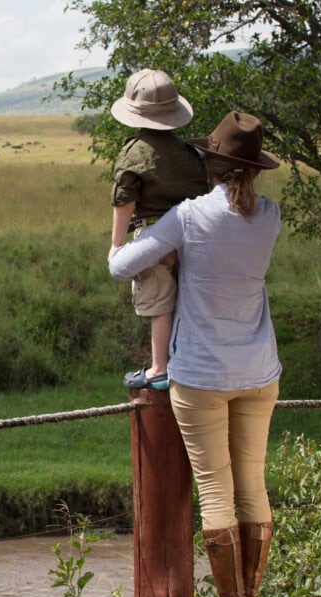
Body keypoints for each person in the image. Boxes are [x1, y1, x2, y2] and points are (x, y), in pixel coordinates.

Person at [108, 111, 282, 597]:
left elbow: (122, 266)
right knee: (252, 485)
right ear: (255, 169)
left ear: (210, 165)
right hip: (259, 370)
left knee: (216, 490)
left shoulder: (189, 216)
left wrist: (121, 236)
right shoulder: (270, 214)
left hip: (202, 373)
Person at [108, 69, 210, 390]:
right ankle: (185, 362)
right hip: (191, 235)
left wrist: (116, 245)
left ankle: (159, 369)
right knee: (186, 301)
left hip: (152, 235)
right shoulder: (190, 152)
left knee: (159, 302)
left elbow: (123, 201)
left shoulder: (132, 151)